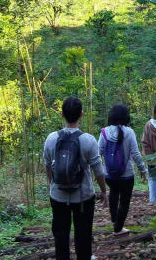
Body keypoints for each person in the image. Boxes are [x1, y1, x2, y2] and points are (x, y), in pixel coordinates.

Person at [44, 97, 107, 260]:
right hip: (83, 197)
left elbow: (47, 166)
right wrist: (104, 192)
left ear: (62, 114)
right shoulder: (88, 140)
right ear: (82, 114)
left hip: (58, 196)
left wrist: (52, 186)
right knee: (83, 234)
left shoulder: (51, 138)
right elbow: (98, 170)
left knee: (60, 235)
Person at [98, 104, 148, 235]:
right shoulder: (129, 132)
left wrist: (99, 170)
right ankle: (118, 228)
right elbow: (136, 154)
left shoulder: (104, 132)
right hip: (127, 174)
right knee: (125, 201)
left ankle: (115, 221)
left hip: (109, 174)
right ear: (126, 117)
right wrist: (143, 170)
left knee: (113, 194)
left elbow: (99, 153)